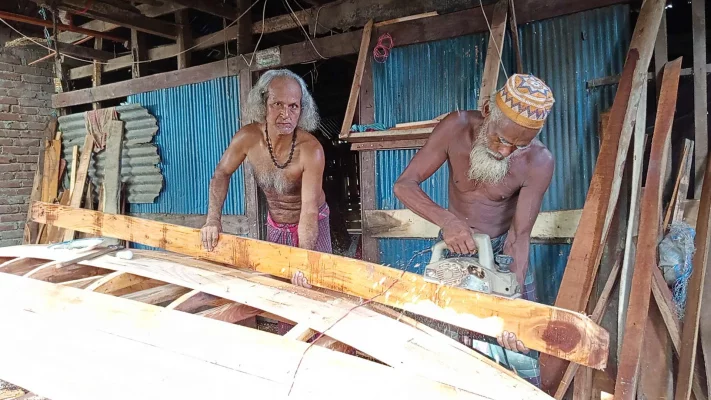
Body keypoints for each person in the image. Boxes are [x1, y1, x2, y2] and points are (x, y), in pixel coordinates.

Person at [392, 73, 555, 387]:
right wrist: (448, 222)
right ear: (486, 111)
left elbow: (518, 238)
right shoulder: (456, 128)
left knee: (514, 351)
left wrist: (512, 301)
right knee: (443, 350)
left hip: (502, 254)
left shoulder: (539, 161)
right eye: (500, 139)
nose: (506, 151)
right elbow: (404, 185)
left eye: (519, 146)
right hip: (454, 246)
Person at [200, 69, 331, 292]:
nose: (285, 114)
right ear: (263, 105)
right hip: (275, 225)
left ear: (302, 110)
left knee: (316, 286)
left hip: (312, 225)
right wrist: (213, 219)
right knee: (277, 291)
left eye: (293, 106)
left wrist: (304, 257)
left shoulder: (311, 150)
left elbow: (309, 210)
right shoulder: (247, 138)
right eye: (277, 104)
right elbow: (221, 173)